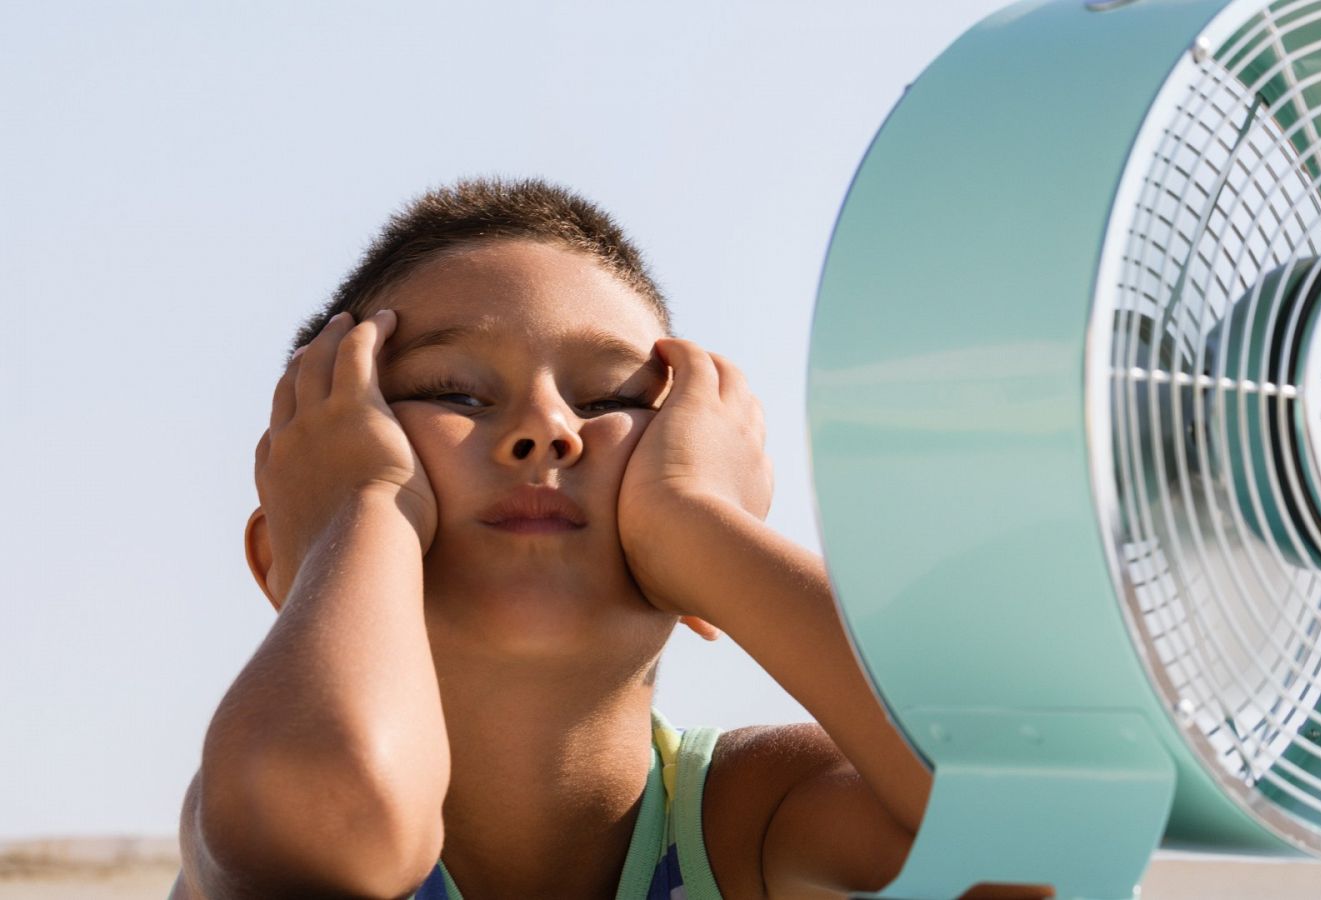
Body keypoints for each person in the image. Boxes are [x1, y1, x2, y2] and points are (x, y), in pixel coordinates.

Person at [169, 176, 938, 899]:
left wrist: (700, 524)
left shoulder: (755, 818)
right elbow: (342, 814)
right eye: (453, 393)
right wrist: (367, 507)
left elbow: (1032, 818)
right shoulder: (261, 786)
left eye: (611, 397)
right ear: (292, 559)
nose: (547, 428)